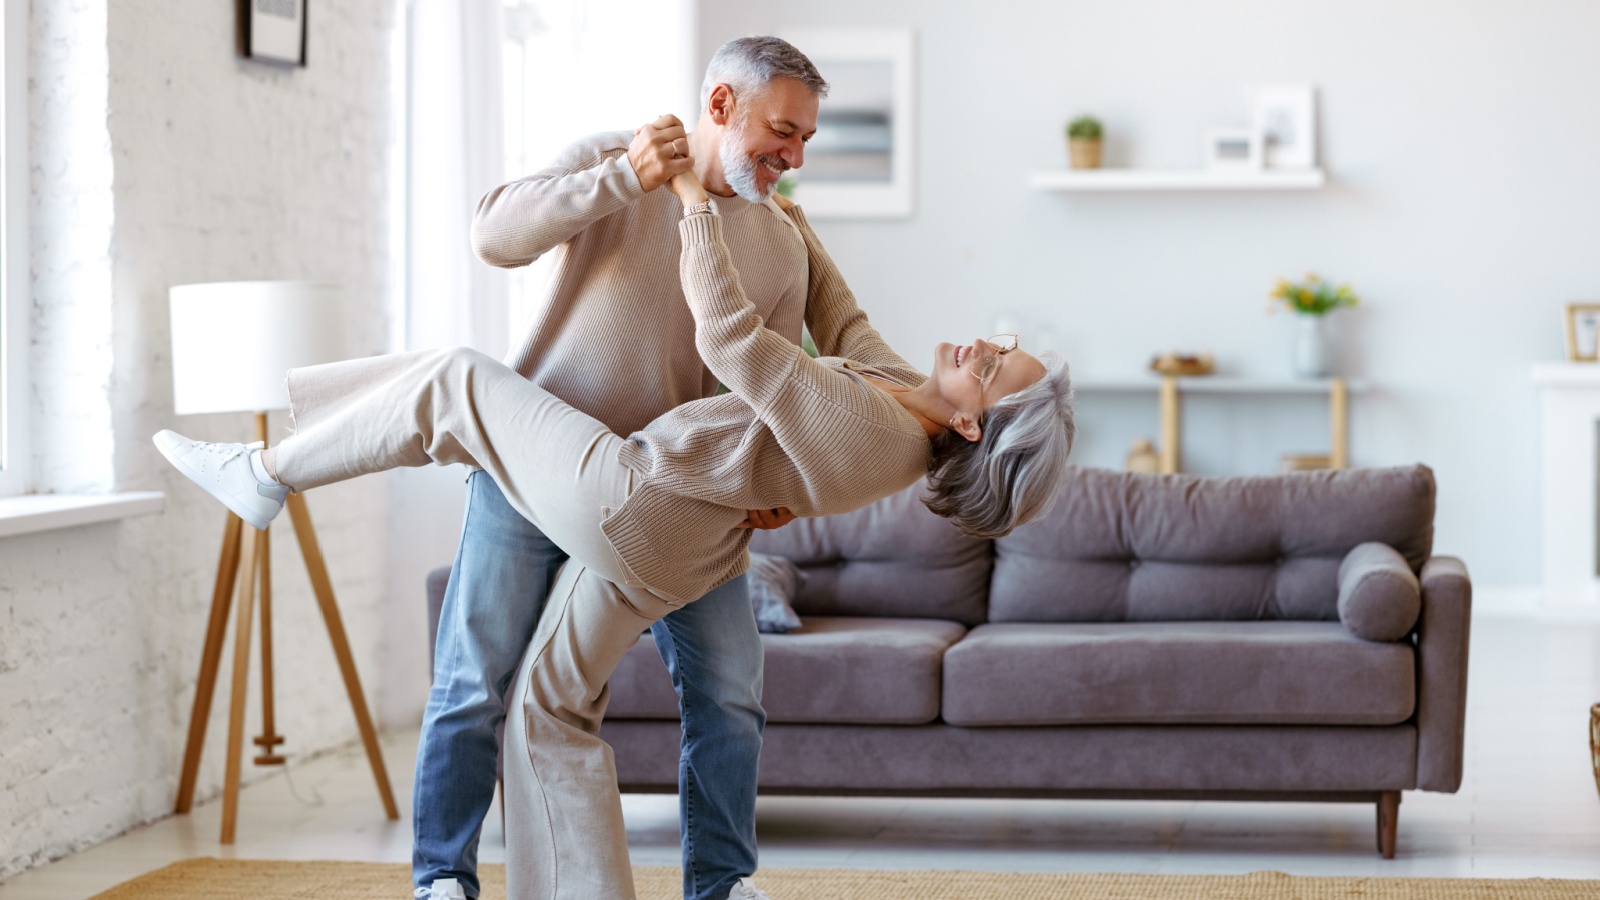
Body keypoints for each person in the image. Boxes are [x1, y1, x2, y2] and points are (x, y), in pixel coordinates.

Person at [154, 169, 1077, 900]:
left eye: (992, 369)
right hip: (684, 531)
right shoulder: (899, 394)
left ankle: (268, 474)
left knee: (456, 382)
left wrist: (690, 205)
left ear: (972, 428)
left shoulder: (875, 433)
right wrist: (792, 223)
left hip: (634, 499)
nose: (978, 348)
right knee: (549, 704)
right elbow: (842, 316)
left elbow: (733, 342)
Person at [431, 35, 876, 900]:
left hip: (675, 499)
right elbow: (493, 236)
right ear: (719, 106)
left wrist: (770, 480)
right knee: (472, 679)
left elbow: (762, 385)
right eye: (781, 131)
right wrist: (622, 179)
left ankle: (721, 884)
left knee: (730, 691)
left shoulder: (780, 241)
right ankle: (443, 880)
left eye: (804, 140)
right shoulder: (614, 159)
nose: (791, 156)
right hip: (531, 473)